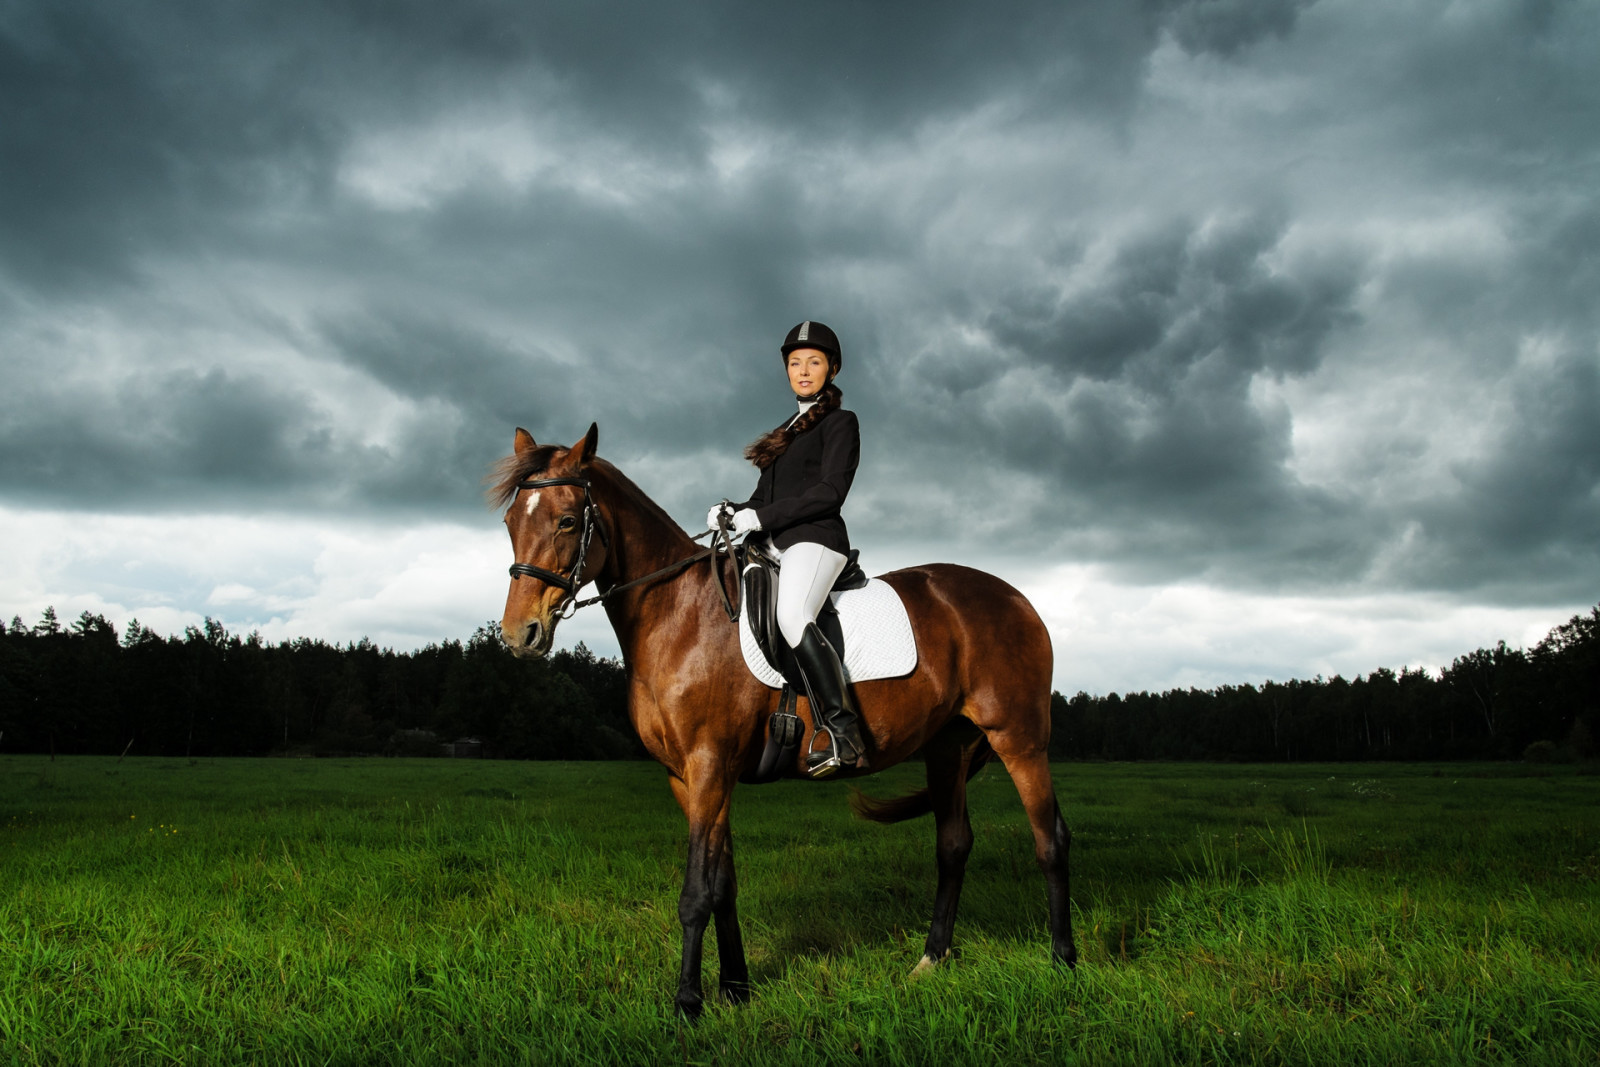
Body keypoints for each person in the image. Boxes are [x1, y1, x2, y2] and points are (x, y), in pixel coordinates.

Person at [708, 321, 866, 777]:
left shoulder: (841, 423)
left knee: (793, 614)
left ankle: (843, 731)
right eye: (795, 363)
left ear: (831, 369)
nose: (803, 370)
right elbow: (762, 502)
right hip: (775, 543)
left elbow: (830, 491)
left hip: (816, 538)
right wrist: (731, 509)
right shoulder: (785, 431)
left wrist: (760, 518)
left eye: (814, 362)